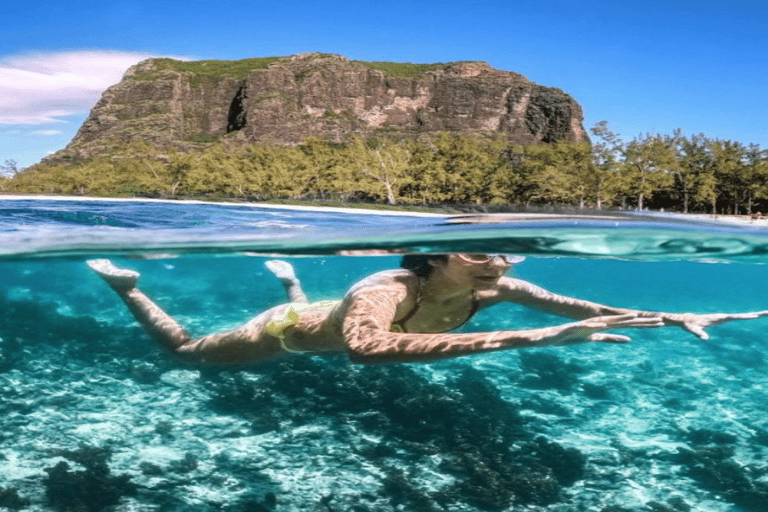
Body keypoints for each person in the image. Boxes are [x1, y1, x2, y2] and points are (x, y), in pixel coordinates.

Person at [86, 254, 766, 365]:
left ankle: (291, 279)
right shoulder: (388, 290)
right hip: (290, 336)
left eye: (505, 254)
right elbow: (364, 347)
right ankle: (130, 289)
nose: (498, 264)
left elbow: (585, 306)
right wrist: (537, 340)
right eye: (480, 254)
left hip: (325, 312)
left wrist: (676, 317)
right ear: (433, 256)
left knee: (315, 306)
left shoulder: (496, 287)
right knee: (187, 354)